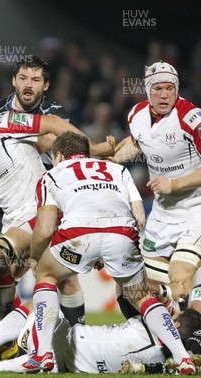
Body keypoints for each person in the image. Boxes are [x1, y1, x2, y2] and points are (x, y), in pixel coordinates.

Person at [0, 86, 114, 354]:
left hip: (42, 209)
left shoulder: (0, 122)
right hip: (15, 219)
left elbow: (54, 123)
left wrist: (95, 149)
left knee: (4, 258)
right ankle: (14, 332)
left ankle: (66, 342)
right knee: (7, 272)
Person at [24, 131, 194, 374]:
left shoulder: (51, 174)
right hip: (121, 232)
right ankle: (182, 357)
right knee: (142, 295)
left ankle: (43, 354)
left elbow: (45, 229)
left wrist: (34, 256)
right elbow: (138, 214)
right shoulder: (118, 170)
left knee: (47, 276)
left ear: (59, 155)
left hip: (78, 234)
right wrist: (108, 249)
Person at [0, 57, 85, 355]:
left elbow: (64, 152)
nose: (28, 84)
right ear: (14, 80)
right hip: (1, 207)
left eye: (36, 79)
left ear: (46, 85)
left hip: (44, 204)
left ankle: (75, 342)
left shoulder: (55, 114)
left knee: (61, 276)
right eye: (23, 78)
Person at [111, 62, 201, 305]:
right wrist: (108, 160)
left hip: (195, 211)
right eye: (158, 88)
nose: (164, 94)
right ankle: (157, 332)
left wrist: (175, 183)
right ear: (148, 90)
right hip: (161, 215)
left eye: (170, 88)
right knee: (133, 285)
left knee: (180, 276)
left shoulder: (191, 118)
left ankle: (192, 336)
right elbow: (137, 143)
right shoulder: (136, 115)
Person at [0, 298, 201, 374]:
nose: (169, 316)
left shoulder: (147, 325)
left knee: (36, 304)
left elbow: (125, 292)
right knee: (45, 357)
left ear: (174, 328)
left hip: (61, 340)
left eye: (173, 319)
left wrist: (164, 298)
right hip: (69, 367)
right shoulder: (158, 359)